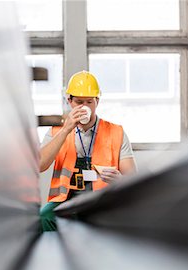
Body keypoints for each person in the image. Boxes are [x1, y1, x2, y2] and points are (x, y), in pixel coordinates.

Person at [39, 70, 137, 231]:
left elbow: (133, 180)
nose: (84, 107)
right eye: (79, 102)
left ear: (97, 101)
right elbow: (40, 164)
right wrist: (66, 129)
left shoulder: (116, 132)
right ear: (69, 100)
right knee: (44, 216)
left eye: (89, 102)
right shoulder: (57, 132)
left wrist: (119, 179)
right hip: (66, 201)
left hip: (103, 200)